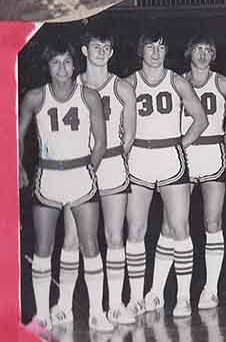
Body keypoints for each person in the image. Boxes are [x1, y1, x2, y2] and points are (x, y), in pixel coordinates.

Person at [18, 39, 113, 331]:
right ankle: (43, 315)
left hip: (80, 176)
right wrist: (19, 166)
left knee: (90, 245)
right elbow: (17, 136)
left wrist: (90, 169)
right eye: (55, 62)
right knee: (43, 247)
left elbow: (101, 141)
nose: (62, 68)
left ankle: (97, 312)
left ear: (75, 65)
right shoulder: (35, 97)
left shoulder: (89, 96)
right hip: (48, 177)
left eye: (67, 62)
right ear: (47, 66)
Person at [51, 31, 138, 326]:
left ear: (112, 53)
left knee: (115, 237)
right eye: (96, 46)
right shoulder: (71, 86)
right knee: (73, 237)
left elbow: (130, 136)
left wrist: (110, 158)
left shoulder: (122, 87)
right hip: (78, 166)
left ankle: (114, 304)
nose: (102, 51)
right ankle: (64, 305)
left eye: (107, 47)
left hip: (112, 164)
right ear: (84, 50)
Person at [124, 32, 208, 317]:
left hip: (171, 159)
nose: (156, 53)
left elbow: (201, 118)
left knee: (178, 228)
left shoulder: (177, 81)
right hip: (138, 159)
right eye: (150, 47)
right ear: (141, 51)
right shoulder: (128, 83)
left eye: (161, 47)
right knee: (136, 229)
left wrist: (180, 143)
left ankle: (181, 296)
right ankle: (138, 297)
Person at [179, 34, 226, 309]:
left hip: (213, 156)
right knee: (175, 224)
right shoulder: (177, 82)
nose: (202, 54)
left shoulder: (223, 83)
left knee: (213, 223)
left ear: (213, 55)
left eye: (207, 50)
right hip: (183, 155)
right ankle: (179, 293)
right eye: (197, 49)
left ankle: (210, 289)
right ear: (190, 52)